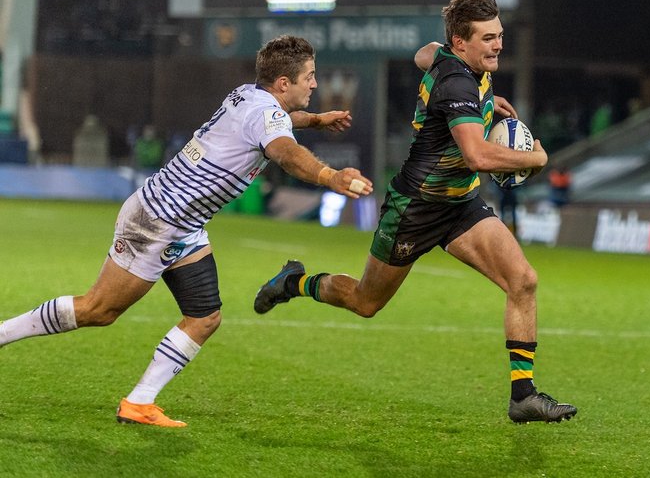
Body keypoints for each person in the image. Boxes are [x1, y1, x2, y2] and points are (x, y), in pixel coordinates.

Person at [0, 35, 373, 428]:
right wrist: (330, 175)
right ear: (284, 83)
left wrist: (316, 119)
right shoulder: (267, 117)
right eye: (309, 77)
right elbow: (283, 151)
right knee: (99, 309)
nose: (314, 84)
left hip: (184, 224)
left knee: (205, 316)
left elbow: (279, 122)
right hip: (157, 220)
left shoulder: (248, 94)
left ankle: (139, 403)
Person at [253, 0, 577, 424]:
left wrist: (486, 103)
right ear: (461, 44)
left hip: (460, 205)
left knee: (523, 280)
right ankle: (295, 281)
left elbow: (423, 53)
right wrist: (536, 159)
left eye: (499, 36)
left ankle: (524, 395)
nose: (498, 45)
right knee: (366, 302)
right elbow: (479, 156)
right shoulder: (457, 83)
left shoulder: (452, 59)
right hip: (416, 207)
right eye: (487, 39)